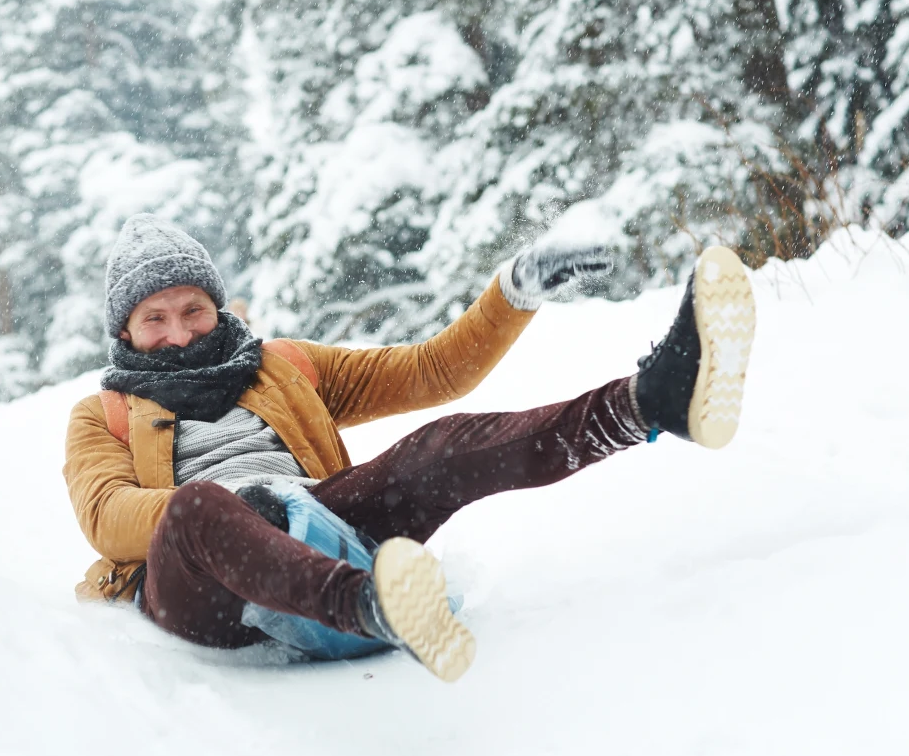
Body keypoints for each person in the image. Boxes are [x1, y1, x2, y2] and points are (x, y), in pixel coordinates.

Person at [62, 214, 756, 681]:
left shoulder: (283, 367)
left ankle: (649, 403)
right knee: (198, 509)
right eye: (155, 318)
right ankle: (372, 604)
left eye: (192, 310)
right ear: (125, 332)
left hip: (311, 524)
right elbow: (108, 515)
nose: (179, 332)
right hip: (199, 587)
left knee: (434, 449)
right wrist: (244, 505)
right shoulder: (106, 416)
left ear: (218, 308)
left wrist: (514, 291)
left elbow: (432, 372)